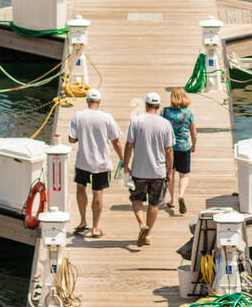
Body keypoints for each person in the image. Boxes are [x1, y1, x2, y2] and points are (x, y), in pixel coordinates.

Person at [68, 89, 122, 239]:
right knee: (98, 193)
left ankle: (83, 221)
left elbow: (71, 139)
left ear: (87, 101)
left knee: (81, 188)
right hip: (102, 162)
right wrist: (123, 158)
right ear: (99, 102)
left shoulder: (78, 116)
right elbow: (116, 141)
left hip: (83, 161)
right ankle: (96, 228)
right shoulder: (107, 117)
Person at [123, 92, 174, 246]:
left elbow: (129, 144)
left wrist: (126, 165)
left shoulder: (136, 121)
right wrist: (169, 171)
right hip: (158, 171)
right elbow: (169, 150)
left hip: (139, 170)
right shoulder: (165, 124)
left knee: (136, 199)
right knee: (154, 204)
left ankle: (141, 224)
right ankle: (149, 233)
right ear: (158, 107)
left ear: (145, 105)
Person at [162, 87, 196, 214]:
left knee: (170, 173)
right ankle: (181, 195)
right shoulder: (188, 113)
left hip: (169, 147)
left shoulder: (165, 112)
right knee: (184, 175)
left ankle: (172, 201)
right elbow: (194, 132)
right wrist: (194, 144)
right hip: (184, 147)